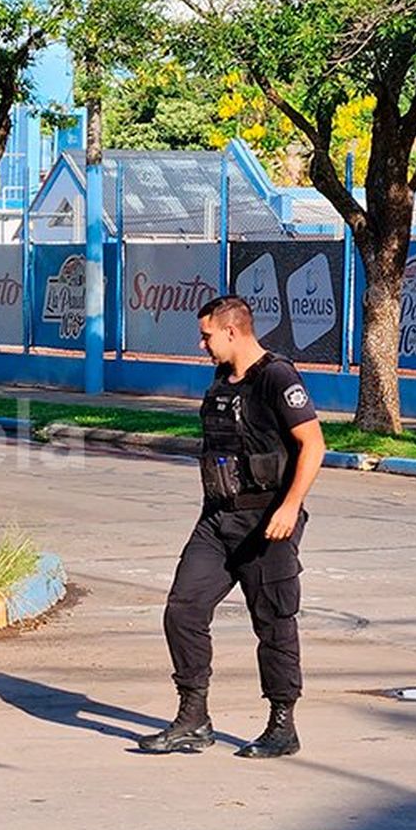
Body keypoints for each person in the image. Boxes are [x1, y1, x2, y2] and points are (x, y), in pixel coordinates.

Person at [138, 296, 325, 759]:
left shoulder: (277, 377)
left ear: (232, 331)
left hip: (267, 523)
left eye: (206, 336)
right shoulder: (223, 379)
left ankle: (282, 725)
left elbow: (313, 445)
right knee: (182, 609)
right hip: (217, 519)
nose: (202, 344)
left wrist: (290, 506)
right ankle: (193, 718)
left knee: (274, 623)